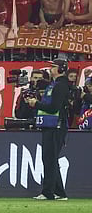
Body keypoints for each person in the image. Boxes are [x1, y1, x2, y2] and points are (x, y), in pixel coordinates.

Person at [25, 59, 69, 201]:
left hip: (56, 126)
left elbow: (54, 107)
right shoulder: (55, 85)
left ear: (61, 69)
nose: (51, 69)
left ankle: (48, 192)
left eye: (54, 67)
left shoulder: (61, 86)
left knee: (49, 159)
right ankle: (59, 192)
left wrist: (36, 103)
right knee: (50, 159)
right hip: (50, 125)